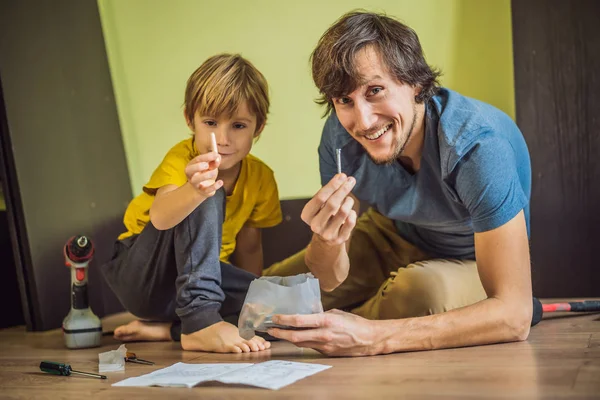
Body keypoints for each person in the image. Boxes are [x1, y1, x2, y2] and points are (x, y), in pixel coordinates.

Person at [264, 11, 533, 356]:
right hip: (392, 233)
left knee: (415, 293)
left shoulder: (477, 145)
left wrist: (373, 336)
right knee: (266, 299)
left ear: (415, 83)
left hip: (470, 256)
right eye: (344, 100)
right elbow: (329, 278)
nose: (363, 121)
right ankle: (352, 319)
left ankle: (356, 324)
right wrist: (325, 240)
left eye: (375, 91)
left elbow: (514, 314)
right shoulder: (339, 136)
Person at [101, 54, 282, 353]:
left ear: (258, 127)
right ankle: (200, 321)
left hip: (202, 281)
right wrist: (195, 191)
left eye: (238, 125)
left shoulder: (261, 177)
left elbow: (249, 247)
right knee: (211, 190)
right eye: (210, 123)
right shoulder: (182, 158)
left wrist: (255, 300)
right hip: (144, 276)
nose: (222, 139)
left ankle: (174, 331)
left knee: (279, 313)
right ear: (190, 120)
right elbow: (160, 217)